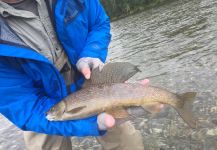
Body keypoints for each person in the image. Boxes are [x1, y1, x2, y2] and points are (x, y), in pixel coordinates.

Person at [0, 0, 164, 149]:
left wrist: (92, 52)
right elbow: (25, 108)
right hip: (39, 102)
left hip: (92, 83)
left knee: (128, 144)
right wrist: (92, 123)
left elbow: (99, 22)